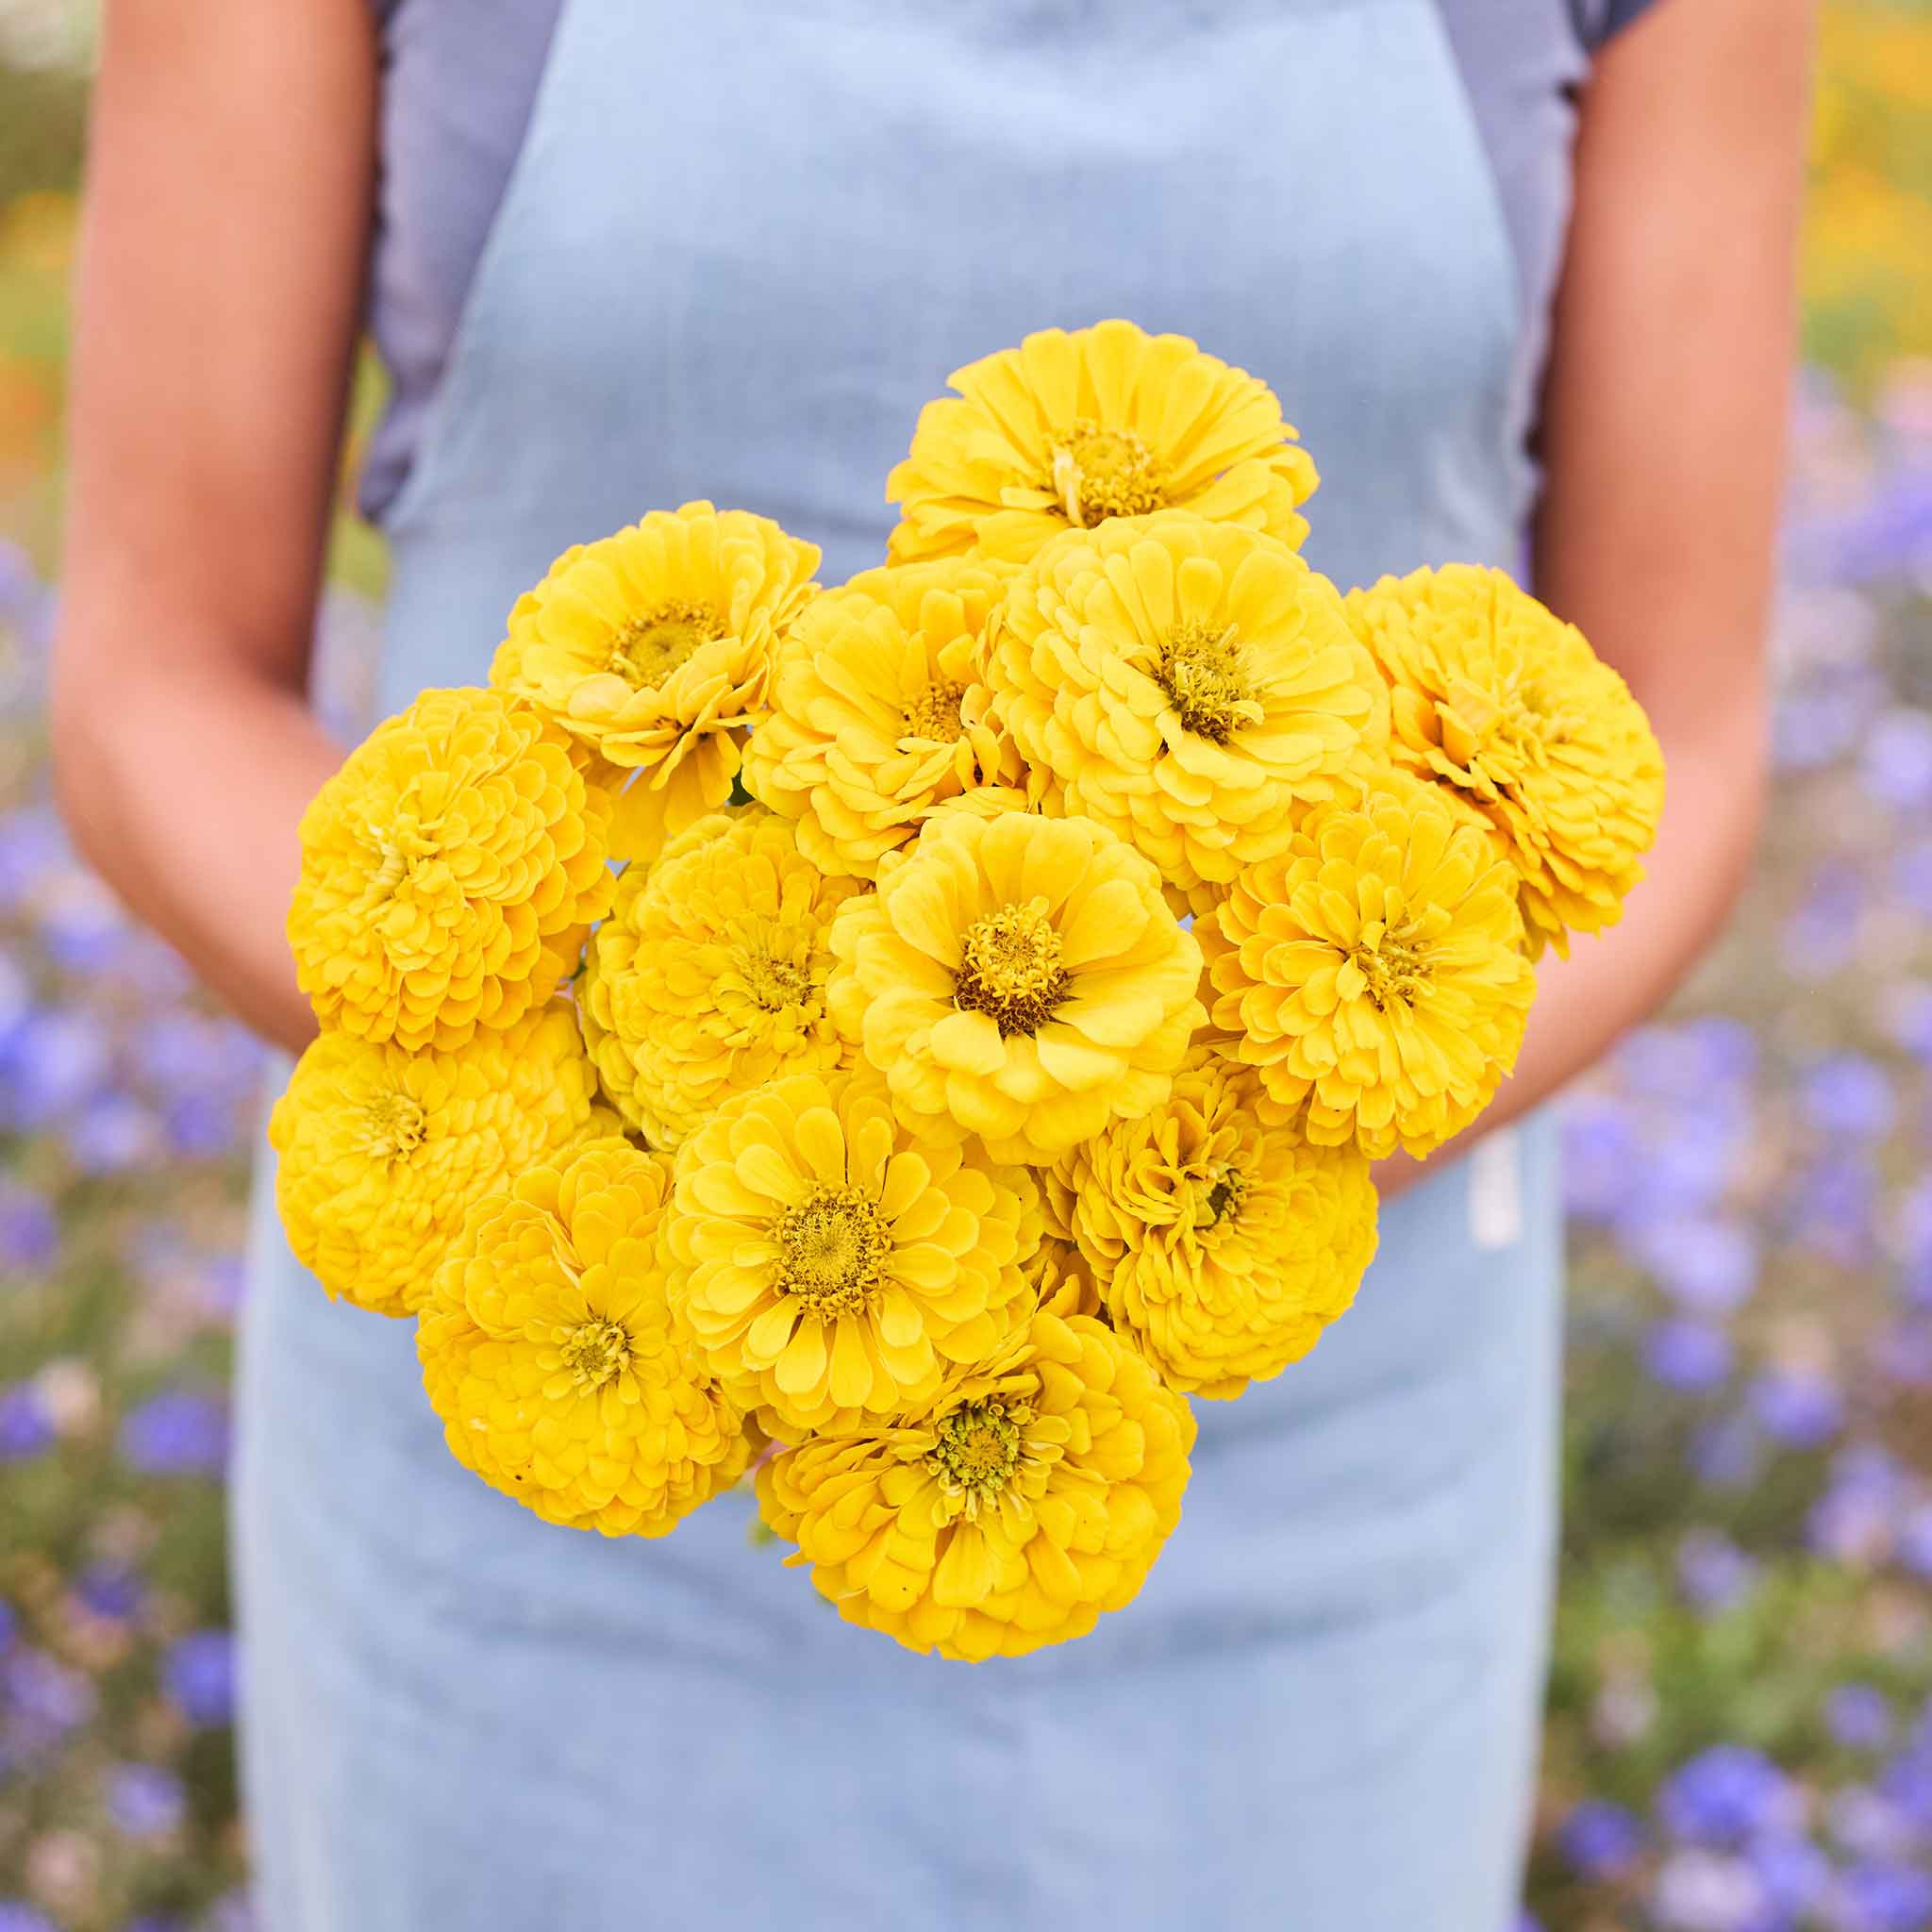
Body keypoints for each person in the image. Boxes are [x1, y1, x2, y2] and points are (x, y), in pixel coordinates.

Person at [52, 2, 1814, 1925]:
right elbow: (158, 685)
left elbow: (1678, 734)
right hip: (554, 1434)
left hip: (1309, 1438)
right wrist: (599, 1130)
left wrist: (1236, 1130)